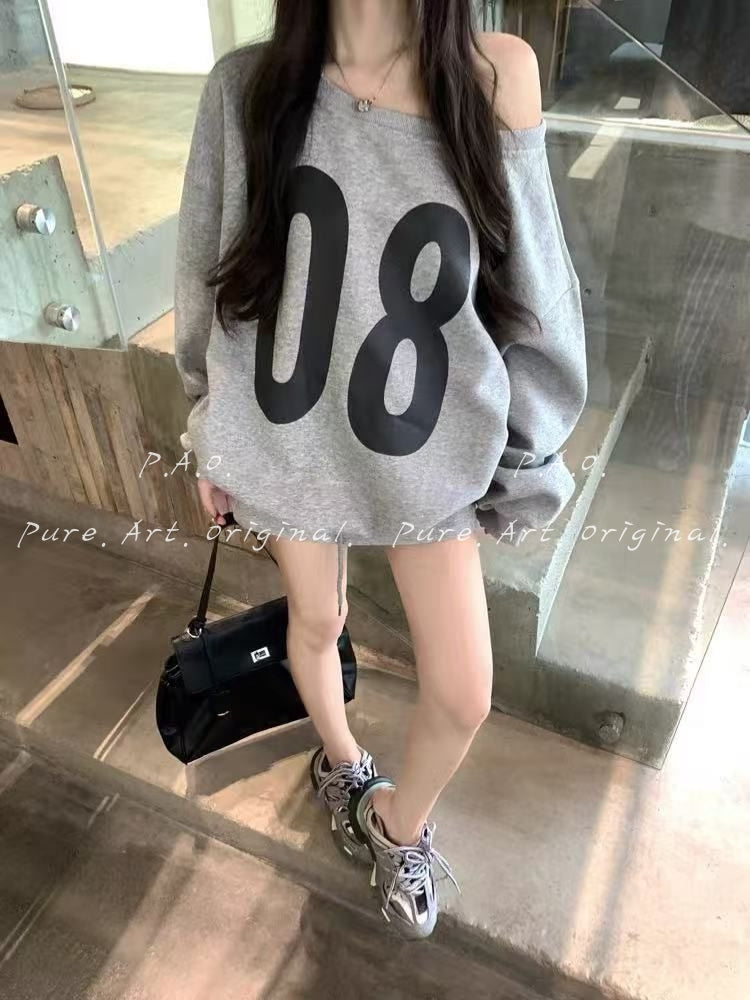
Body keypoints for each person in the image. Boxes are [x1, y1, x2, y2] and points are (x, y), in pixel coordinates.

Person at [174, 0, 587, 940]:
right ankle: (342, 762)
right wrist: (209, 426)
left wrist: (525, 457)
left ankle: (395, 824)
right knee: (317, 621)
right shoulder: (246, 89)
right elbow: (205, 271)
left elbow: (539, 295)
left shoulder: (494, 75)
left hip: (427, 451)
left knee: (463, 691)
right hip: (288, 437)